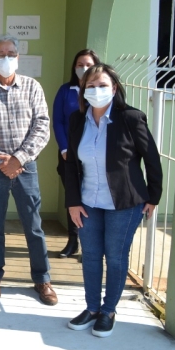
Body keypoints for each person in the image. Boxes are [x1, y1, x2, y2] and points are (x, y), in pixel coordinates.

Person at [65, 64, 162, 337]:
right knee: (91, 257)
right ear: (83, 91)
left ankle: (108, 311)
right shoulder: (76, 120)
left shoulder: (130, 118)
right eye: (90, 86)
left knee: (116, 259)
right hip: (87, 203)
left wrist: (153, 197)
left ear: (114, 88)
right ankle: (92, 308)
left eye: (102, 85)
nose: (97, 91)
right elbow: (71, 164)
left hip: (125, 203)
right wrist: (72, 201)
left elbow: (152, 160)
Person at [0, 34, 57, 305]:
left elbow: (42, 126)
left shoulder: (32, 87)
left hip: (25, 168)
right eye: (0, 54)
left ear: (17, 57)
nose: (6, 58)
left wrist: (19, 159)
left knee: (34, 226)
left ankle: (43, 279)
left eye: (10, 54)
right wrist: (0, 160)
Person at [52, 49, 100, 258]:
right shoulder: (66, 90)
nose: (83, 69)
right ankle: (73, 241)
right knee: (74, 197)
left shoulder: (99, 91)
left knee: (93, 199)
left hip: (94, 155)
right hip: (69, 155)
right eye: (79, 65)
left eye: (88, 64)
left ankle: (92, 246)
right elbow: (58, 121)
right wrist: (64, 149)